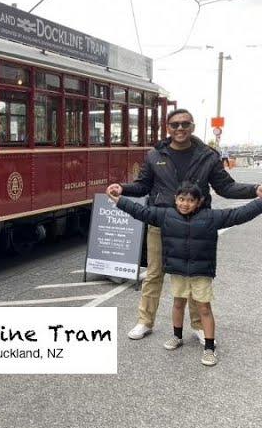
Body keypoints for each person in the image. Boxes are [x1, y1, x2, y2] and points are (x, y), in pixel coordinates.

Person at [106, 108, 262, 343]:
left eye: (185, 124)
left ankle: (198, 325)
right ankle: (145, 321)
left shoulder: (207, 155)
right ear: (167, 128)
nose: (180, 128)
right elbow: (142, 185)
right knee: (154, 273)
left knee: (195, 273)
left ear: (193, 127)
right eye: (175, 124)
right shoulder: (155, 154)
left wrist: (254, 190)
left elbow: (225, 187)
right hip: (163, 220)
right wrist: (122, 188)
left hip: (198, 224)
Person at [108, 182, 262, 366]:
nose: (185, 204)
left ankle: (209, 348)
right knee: (178, 303)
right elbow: (142, 212)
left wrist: (259, 203)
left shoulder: (211, 217)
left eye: (190, 200)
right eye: (181, 199)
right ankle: (177, 336)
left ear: (199, 202)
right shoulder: (166, 215)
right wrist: (120, 200)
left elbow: (238, 215)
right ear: (175, 199)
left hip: (201, 273)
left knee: (204, 308)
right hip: (178, 271)